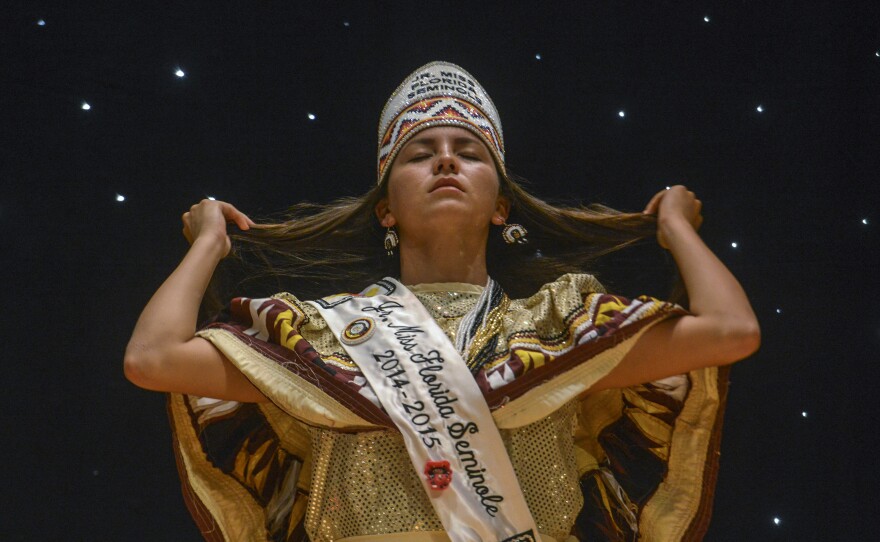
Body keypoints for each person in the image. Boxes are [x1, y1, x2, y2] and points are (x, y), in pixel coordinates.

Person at [124, 61, 759, 542]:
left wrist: (676, 229)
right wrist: (210, 243)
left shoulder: (555, 327)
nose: (447, 162)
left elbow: (730, 330)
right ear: (386, 210)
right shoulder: (324, 334)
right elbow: (153, 359)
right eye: (420, 154)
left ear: (502, 206)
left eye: (470, 154)